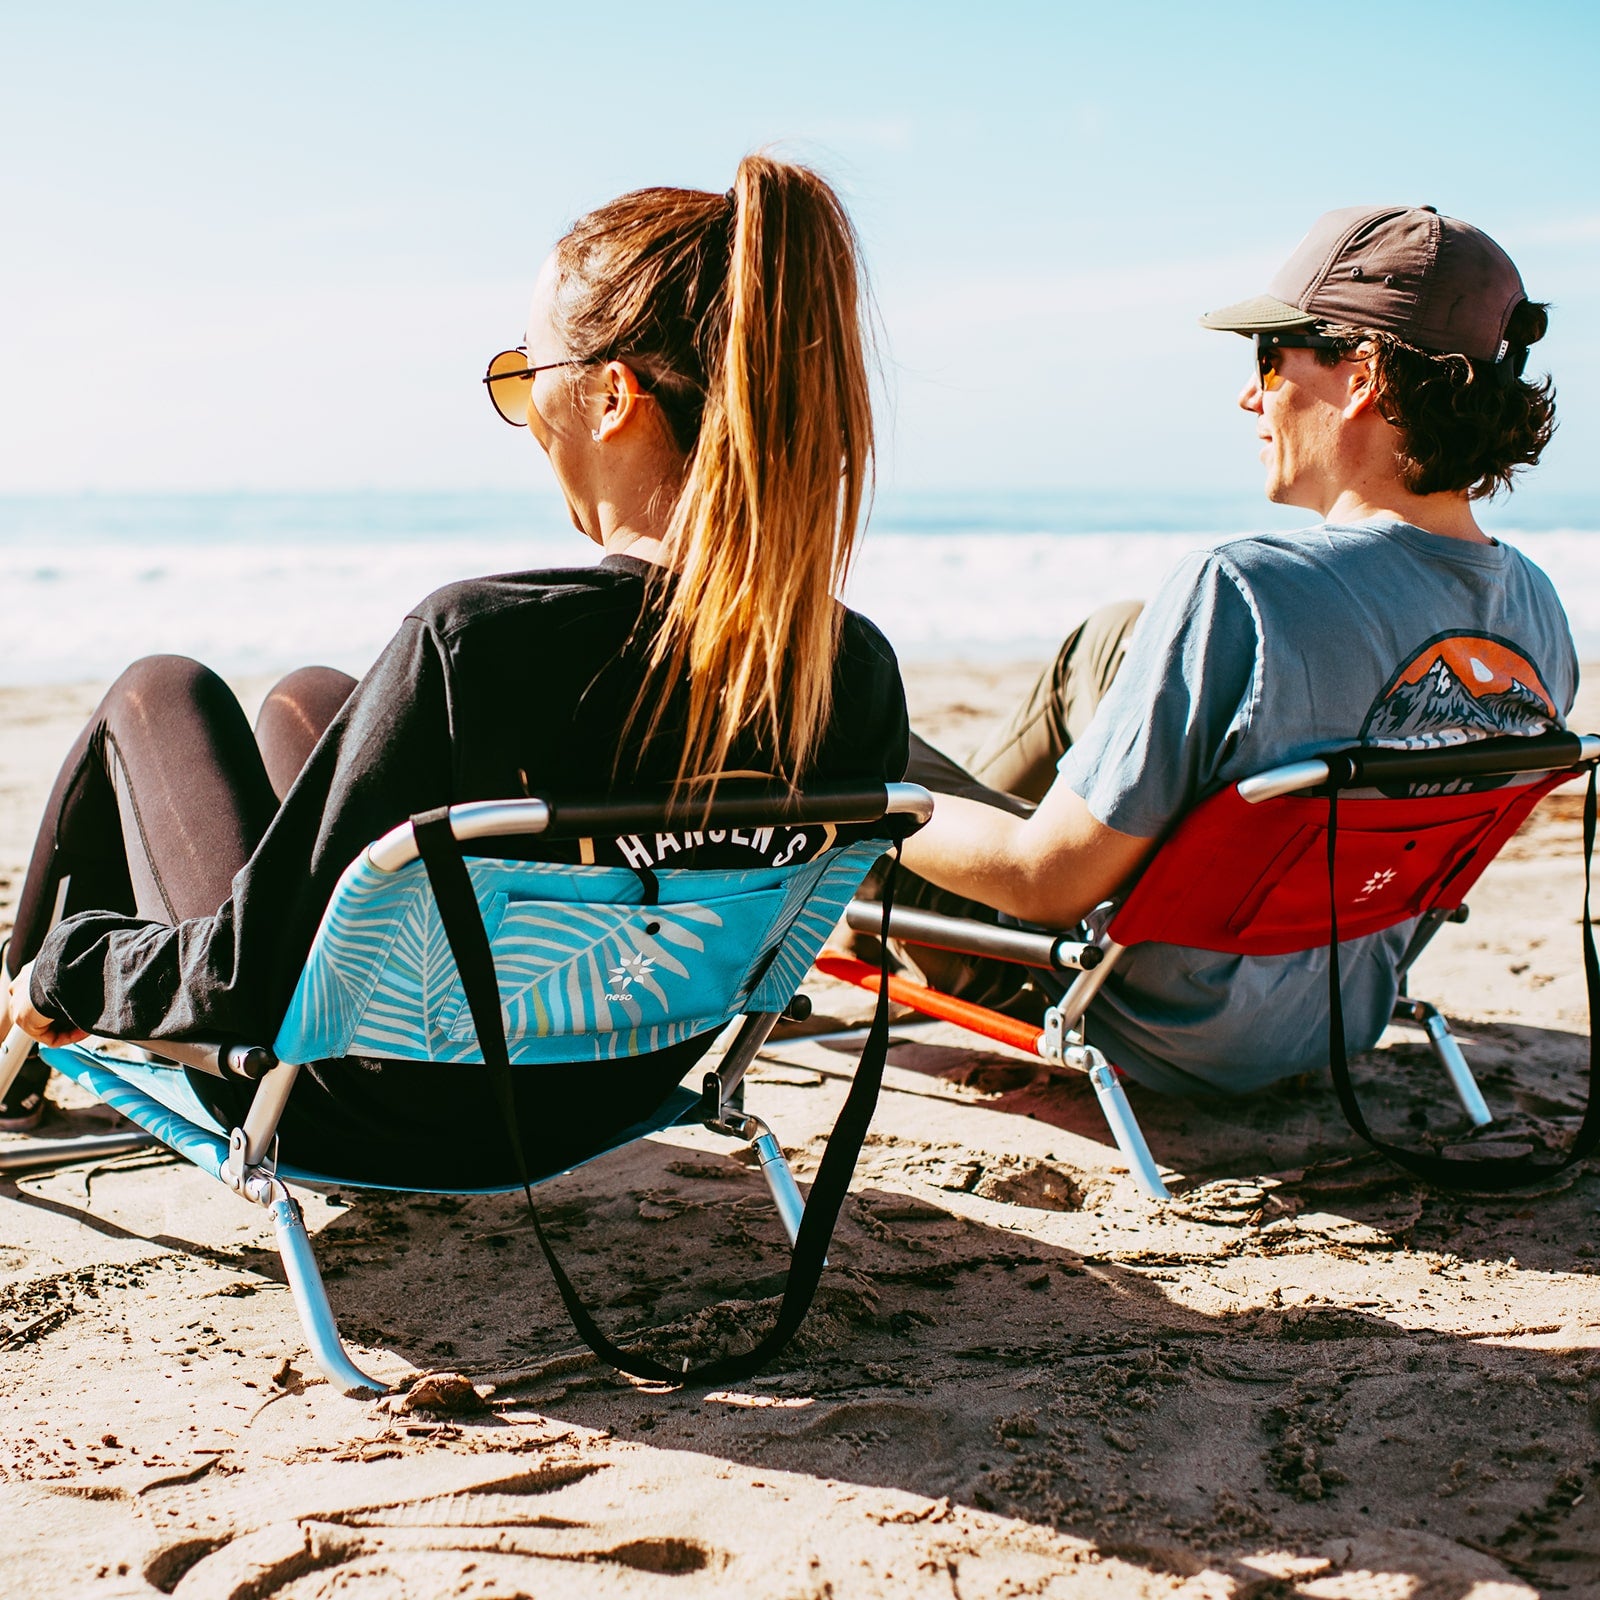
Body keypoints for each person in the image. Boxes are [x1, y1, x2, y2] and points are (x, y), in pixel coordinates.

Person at [0, 156, 909, 1181]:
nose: (527, 417)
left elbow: (250, 984)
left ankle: (10, 1051)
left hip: (358, 1101)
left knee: (161, 689)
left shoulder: (478, 643)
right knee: (310, 697)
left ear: (610, 396)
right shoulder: (853, 669)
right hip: (604, 1094)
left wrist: (69, 966)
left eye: (527, 379)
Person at [892, 204, 1572, 1095]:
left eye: (1268, 359)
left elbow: (1043, 884)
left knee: (832, 719)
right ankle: (903, 918)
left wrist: (857, 787)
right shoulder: (1540, 614)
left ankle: (902, 928)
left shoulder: (1245, 588)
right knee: (1111, 639)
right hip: (1335, 1015)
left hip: (1149, 1023)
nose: (1250, 396)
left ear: (1361, 376)